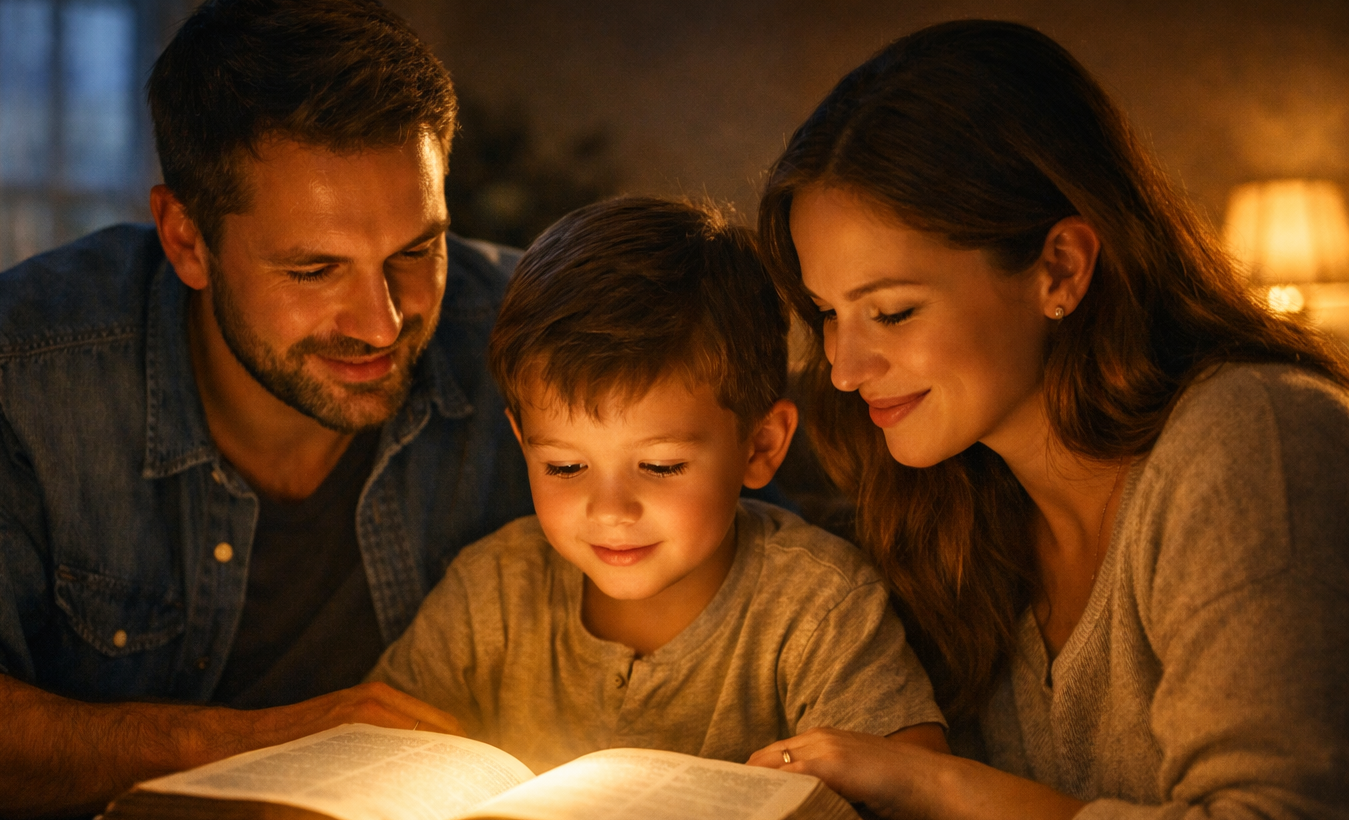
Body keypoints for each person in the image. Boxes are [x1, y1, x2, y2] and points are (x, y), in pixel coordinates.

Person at [0, 0, 532, 820]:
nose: (382, 323)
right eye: (314, 270)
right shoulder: (11, 371)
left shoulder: (529, 332)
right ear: (187, 239)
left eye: (415, 250)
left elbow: (753, 513)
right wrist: (264, 743)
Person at [752, 19, 1349, 820]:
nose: (846, 371)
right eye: (827, 315)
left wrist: (937, 789)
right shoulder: (951, 499)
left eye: (891, 312)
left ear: (1061, 268)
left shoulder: (1256, 442)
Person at [366, 196, 947, 772]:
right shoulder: (490, 591)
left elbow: (914, 786)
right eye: (566, 467)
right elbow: (366, 750)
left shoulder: (820, 607)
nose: (611, 510)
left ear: (761, 445)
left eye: (662, 466)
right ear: (523, 443)